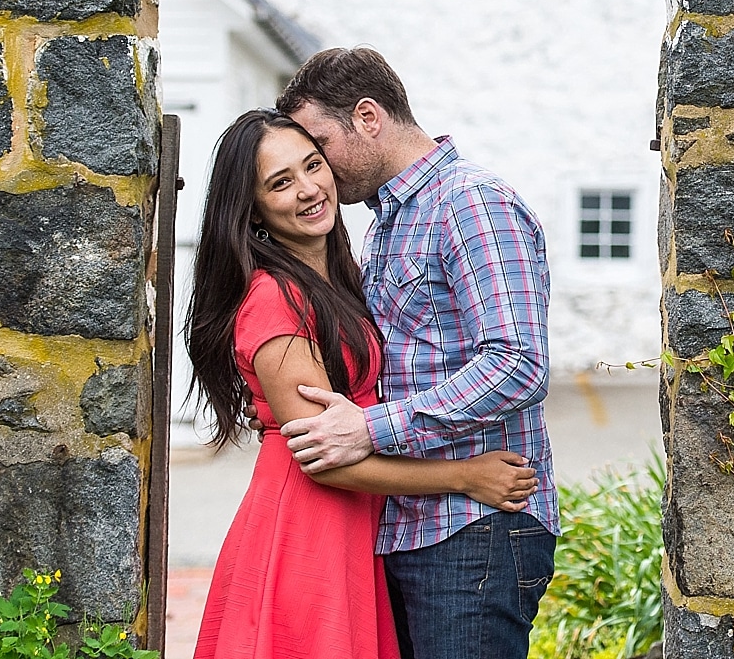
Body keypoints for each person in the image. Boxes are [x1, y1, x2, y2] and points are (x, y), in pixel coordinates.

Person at [185, 109, 540, 659]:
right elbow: (329, 457)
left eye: (312, 165)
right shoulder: (275, 299)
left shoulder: (340, 275)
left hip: (358, 523)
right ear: (253, 211)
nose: (308, 189)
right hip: (309, 527)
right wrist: (467, 476)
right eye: (281, 182)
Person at [270, 47, 560, 659]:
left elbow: (518, 364)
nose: (319, 170)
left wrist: (370, 428)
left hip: (475, 528)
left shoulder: (471, 204)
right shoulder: (391, 220)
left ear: (368, 117)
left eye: (321, 144)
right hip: (414, 525)